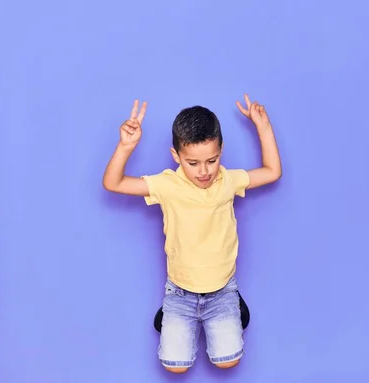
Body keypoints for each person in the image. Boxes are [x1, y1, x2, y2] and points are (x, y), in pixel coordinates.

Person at [102, 94, 282, 374]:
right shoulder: (167, 184)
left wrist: (263, 126)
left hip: (222, 289)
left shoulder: (228, 180)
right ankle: (170, 314)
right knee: (176, 367)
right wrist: (126, 147)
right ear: (177, 156)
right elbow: (113, 183)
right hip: (180, 292)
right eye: (193, 163)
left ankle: (234, 304)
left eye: (211, 160)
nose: (204, 171)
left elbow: (272, 172)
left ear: (221, 150)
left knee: (228, 362)